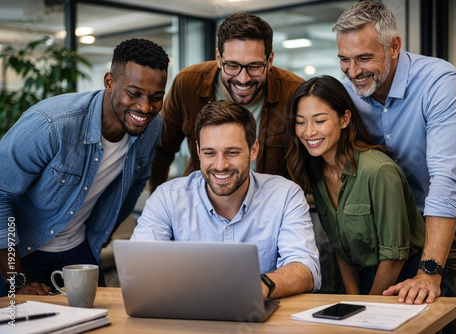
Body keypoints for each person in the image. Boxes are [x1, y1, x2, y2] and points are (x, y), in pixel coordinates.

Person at [332, 1, 456, 333]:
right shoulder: (350, 94)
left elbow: (446, 182)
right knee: (403, 325)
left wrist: (430, 270)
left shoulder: (439, 82)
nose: (353, 72)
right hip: (403, 226)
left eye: (364, 58)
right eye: (344, 60)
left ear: (394, 46)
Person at [0, 38, 169, 296]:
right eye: (134, 93)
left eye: (156, 97)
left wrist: (102, 235)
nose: (145, 107)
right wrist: (16, 280)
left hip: (80, 252)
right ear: (109, 82)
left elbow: (135, 184)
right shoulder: (51, 125)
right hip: (22, 255)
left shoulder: (151, 127)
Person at [131, 100, 321, 299]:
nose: (220, 165)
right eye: (209, 153)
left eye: (232, 152)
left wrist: (260, 286)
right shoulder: (167, 198)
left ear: (253, 150)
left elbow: (306, 269)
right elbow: (138, 267)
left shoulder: (285, 196)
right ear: (198, 151)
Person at [286, 75, 424, 295]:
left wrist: (367, 306)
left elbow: (394, 257)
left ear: (344, 119)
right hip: (357, 279)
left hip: (401, 281)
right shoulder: (316, 173)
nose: (308, 132)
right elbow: (342, 247)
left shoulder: (379, 170)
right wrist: (352, 297)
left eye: (319, 121)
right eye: (300, 122)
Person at [149, 12, 305, 193]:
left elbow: (312, 161)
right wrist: (156, 200)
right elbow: (162, 150)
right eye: (232, 66)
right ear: (218, 58)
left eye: (254, 66)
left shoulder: (294, 93)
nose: (243, 79)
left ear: (269, 61)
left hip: (268, 207)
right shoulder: (187, 84)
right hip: (202, 202)